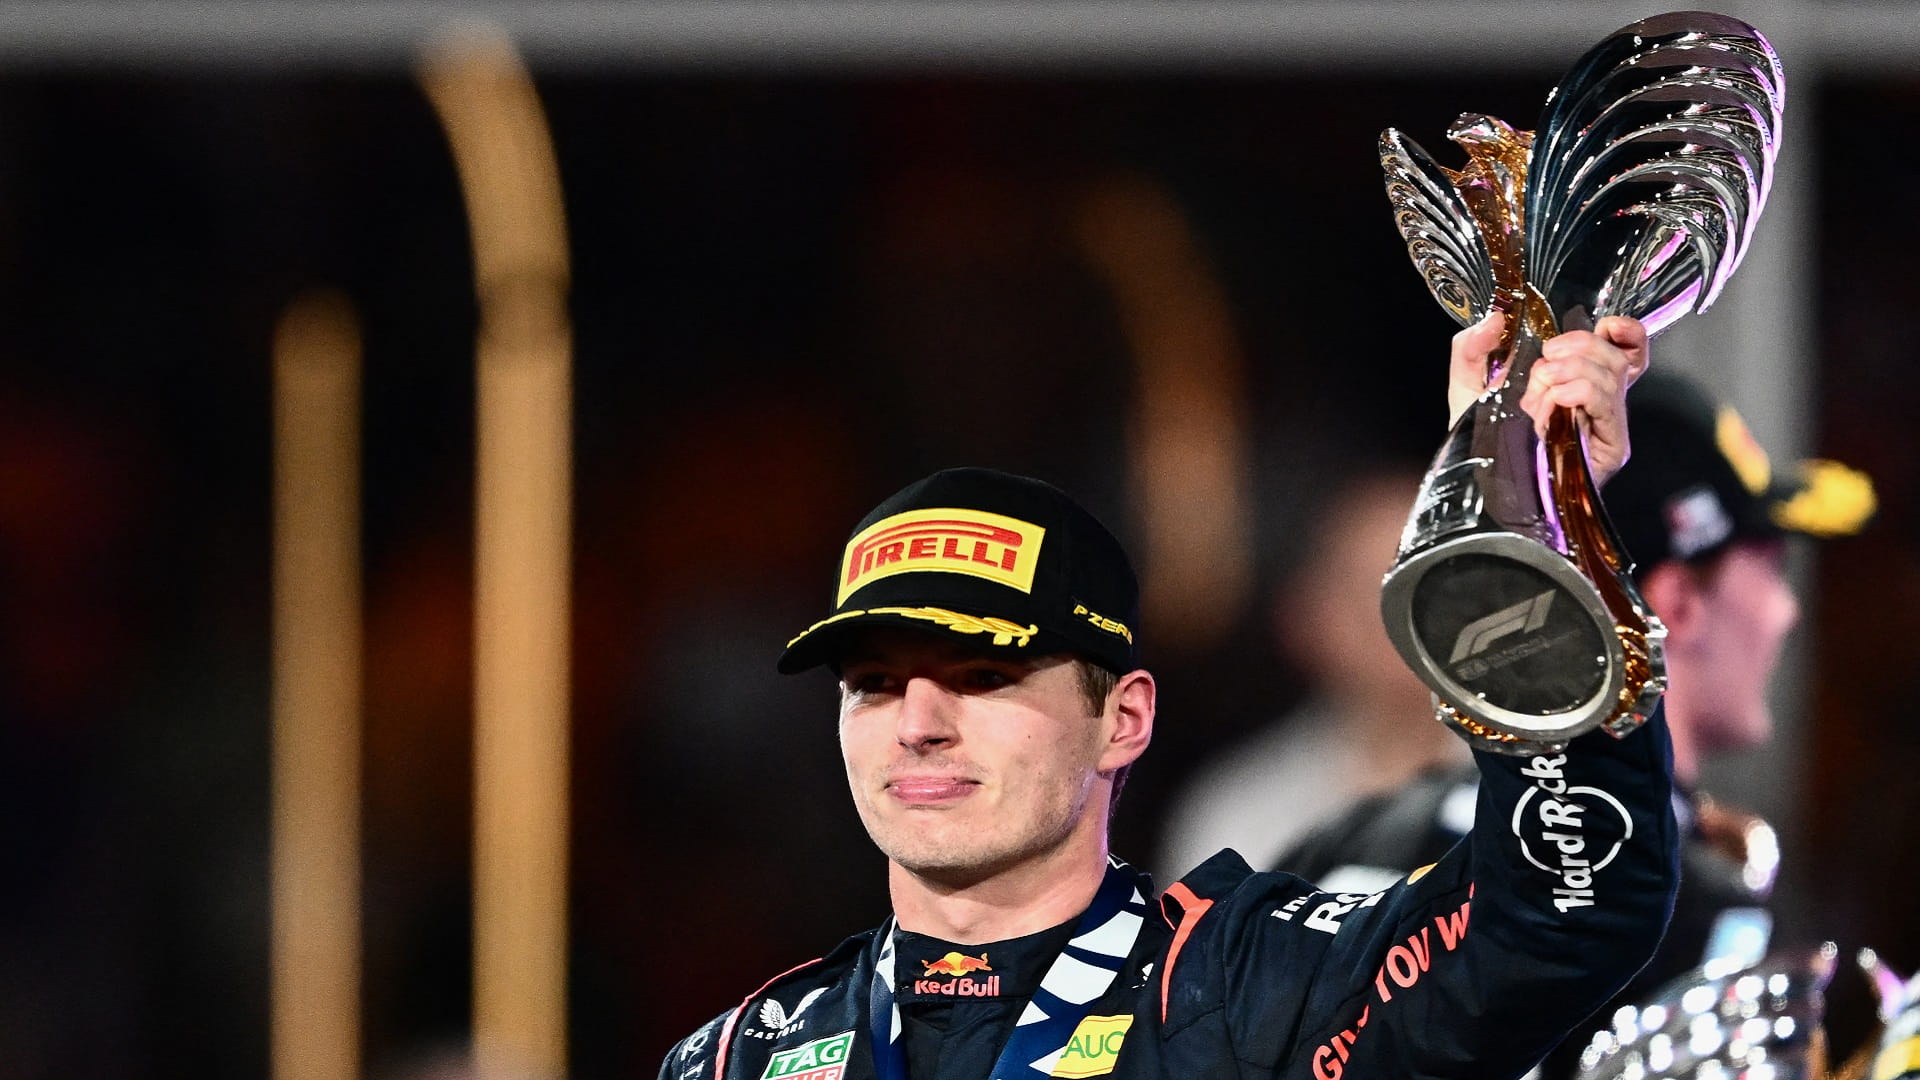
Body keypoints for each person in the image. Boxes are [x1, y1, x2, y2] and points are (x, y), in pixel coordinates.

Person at [658, 315, 1678, 1080]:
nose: (919, 725)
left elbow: (1560, 915)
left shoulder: (1255, 989)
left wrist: (1531, 536)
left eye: (983, 677)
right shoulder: (739, 1057)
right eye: (876, 685)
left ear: (1124, 720)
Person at [1270, 369, 1876, 1077]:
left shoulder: (1351, 834)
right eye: (1768, 567)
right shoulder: (1694, 911)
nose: (1786, 614)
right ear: (1678, 605)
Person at [1153, 464, 1469, 879]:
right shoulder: (1240, 812)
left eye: (1429, 583)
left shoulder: (1539, 794)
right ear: (1303, 615)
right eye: (1364, 592)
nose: (1396, 623)